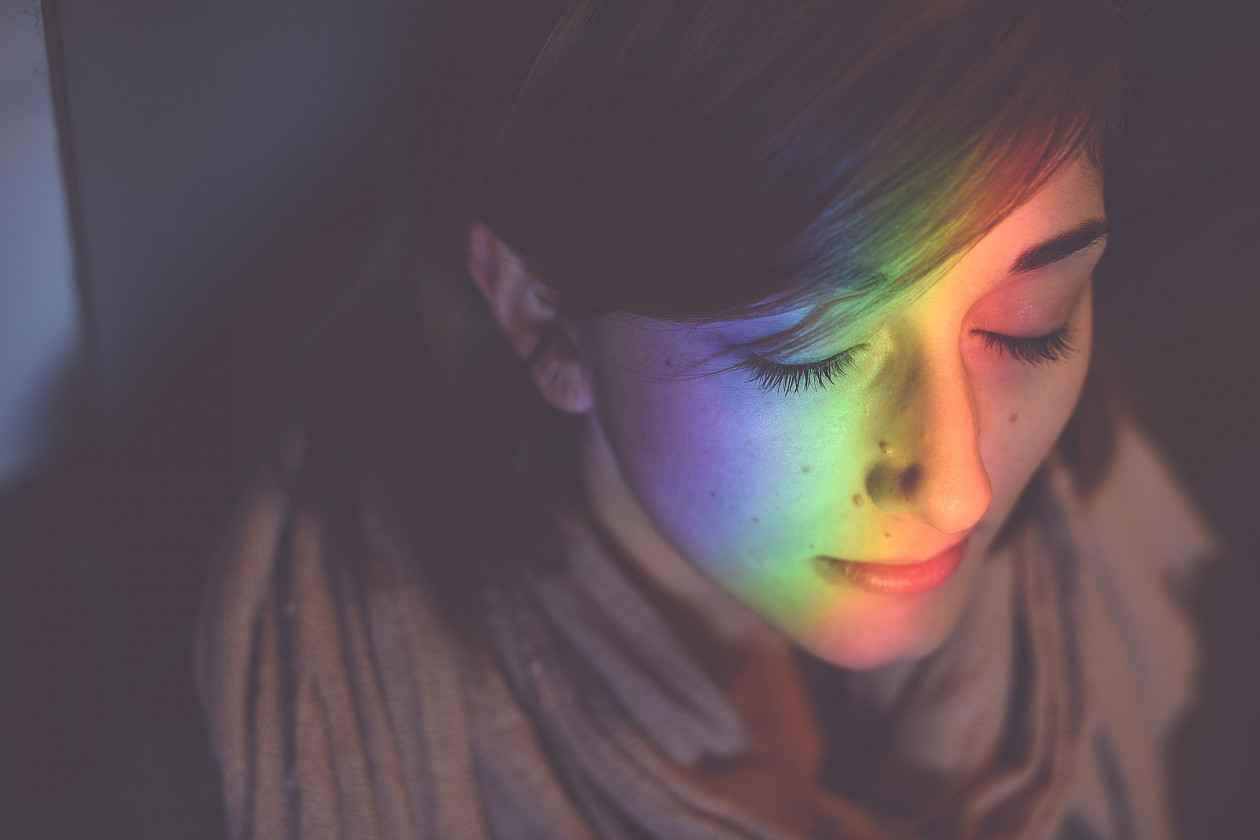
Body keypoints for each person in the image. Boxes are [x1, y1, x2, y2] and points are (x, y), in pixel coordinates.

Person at [194, 1, 1223, 837]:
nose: (960, 488)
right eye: (811, 355)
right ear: (542, 314)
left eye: (1026, 326)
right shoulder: (313, 729)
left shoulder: (1092, 525)